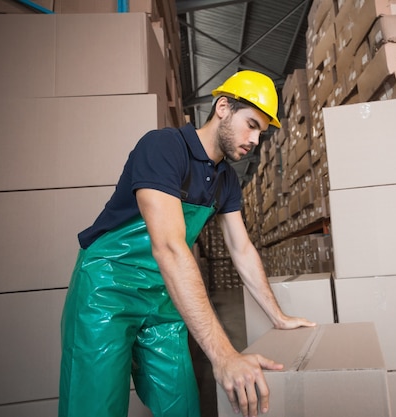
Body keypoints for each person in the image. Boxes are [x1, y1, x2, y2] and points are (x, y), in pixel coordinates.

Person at [59, 70, 316, 417]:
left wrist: (279, 316)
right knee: (94, 407)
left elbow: (242, 250)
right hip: (108, 291)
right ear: (223, 107)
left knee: (181, 406)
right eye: (251, 124)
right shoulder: (164, 147)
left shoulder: (226, 180)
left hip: (164, 299)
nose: (255, 140)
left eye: (262, 133)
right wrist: (224, 356)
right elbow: (168, 246)